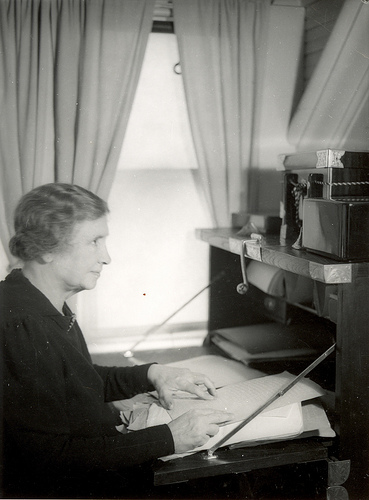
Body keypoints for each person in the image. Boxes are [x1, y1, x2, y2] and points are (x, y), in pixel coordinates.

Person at [0, 183, 232, 499]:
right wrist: (169, 437)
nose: (106, 257)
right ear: (45, 249)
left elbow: (78, 381)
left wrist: (153, 373)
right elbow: (49, 458)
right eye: (94, 241)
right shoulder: (22, 324)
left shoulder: (38, 303)